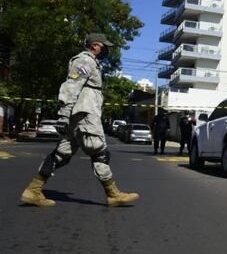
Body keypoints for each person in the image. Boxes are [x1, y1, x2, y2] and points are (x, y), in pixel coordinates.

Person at [20, 33, 139, 207]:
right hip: (85, 114)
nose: (106, 49)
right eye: (104, 46)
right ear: (95, 45)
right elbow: (71, 86)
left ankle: (33, 190)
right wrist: (63, 115)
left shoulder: (92, 62)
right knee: (100, 153)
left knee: (62, 154)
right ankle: (113, 194)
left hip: (82, 114)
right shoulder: (85, 61)